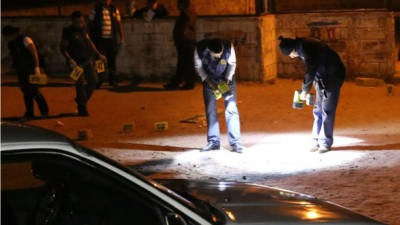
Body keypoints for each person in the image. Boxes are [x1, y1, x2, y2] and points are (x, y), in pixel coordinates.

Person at [278, 36, 345, 153]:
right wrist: (311, 86)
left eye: (289, 54)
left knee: (327, 110)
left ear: (292, 49)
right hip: (322, 77)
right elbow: (312, 69)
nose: (291, 57)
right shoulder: (301, 46)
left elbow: (311, 70)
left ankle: (325, 143)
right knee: (318, 110)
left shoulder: (306, 47)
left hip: (333, 76)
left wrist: (305, 90)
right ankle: (316, 141)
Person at [194, 38, 244, 153]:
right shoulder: (200, 49)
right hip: (209, 79)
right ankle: (213, 142)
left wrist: (226, 82)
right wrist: (211, 84)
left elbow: (232, 64)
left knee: (231, 108)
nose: (218, 57)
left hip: (226, 77)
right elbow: (199, 68)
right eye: (215, 56)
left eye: (220, 55)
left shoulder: (228, 46)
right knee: (210, 109)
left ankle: (235, 142)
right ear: (209, 50)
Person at [60, 11, 106, 116]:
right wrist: (70, 60)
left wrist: (98, 54)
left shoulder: (84, 28)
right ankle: (82, 108)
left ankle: (81, 101)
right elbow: (62, 48)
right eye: (77, 22)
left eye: (81, 21)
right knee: (79, 84)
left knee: (94, 81)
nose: (79, 23)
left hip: (87, 60)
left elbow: (90, 42)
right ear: (72, 21)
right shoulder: (68, 31)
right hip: (76, 63)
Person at [2, 25, 49, 119]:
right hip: (21, 69)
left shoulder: (25, 39)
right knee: (25, 91)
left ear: (12, 34)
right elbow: (13, 57)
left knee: (34, 90)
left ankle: (44, 111)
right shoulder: (11, 44)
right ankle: (29, 113)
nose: (6, 38)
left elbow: (34, 53)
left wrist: (37, 68)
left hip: (31, 68)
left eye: (6, 36)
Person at [89, 0, 125, 87]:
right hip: (99, 38)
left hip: (111, 39)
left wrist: (122, 37)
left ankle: (112, 80)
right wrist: (90, 36)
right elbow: (89, 22)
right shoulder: (96, 9)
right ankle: (100, 79)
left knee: (112, 59)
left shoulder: (114, 9)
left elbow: (118, 23)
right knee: (99, 60)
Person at [164, 0, 197, 90]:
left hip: (185, 42)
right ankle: (178, 82)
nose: (177, 6)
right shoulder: (190, 14)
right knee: (184, 64)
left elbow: (182, 30)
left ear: (183, 5)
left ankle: (187, 83)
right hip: (187, 41)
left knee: (185, 64)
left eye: (179, 4)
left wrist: (180, 40)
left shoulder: (185, 15)